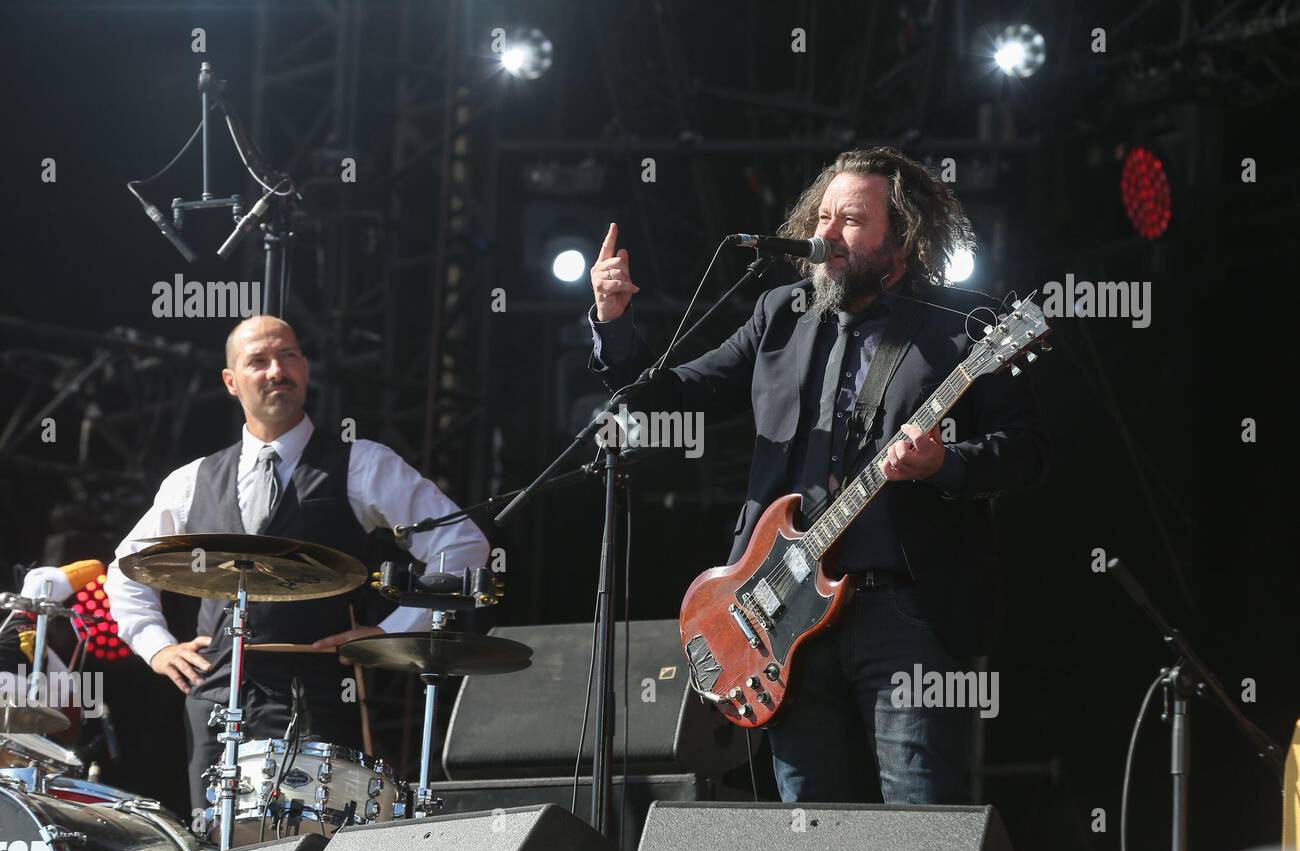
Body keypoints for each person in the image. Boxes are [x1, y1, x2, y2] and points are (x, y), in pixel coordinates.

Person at [586, 146, 1048, 804]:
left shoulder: (965, 326)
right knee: (807, 826)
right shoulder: (781, 313)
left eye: (851, 220)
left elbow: (1028, 451)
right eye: (823, 216)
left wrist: (945, 462)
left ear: (904, 235)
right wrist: (614, 320)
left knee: (919, 824)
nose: (825, 234)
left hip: (904, 610)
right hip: (778, 616)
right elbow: (674, 394)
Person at [105, 315, 489, 814]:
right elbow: (125, 568)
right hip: (217, 699)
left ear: (305, 368)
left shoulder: (362, 463)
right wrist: (155, 646)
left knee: (312, 849)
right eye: (258, 361)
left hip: (321, 697)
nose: (276, 371)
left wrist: (394, 634)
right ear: (230, 381)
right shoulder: (192, 479)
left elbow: (462, 546)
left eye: (288, 356)